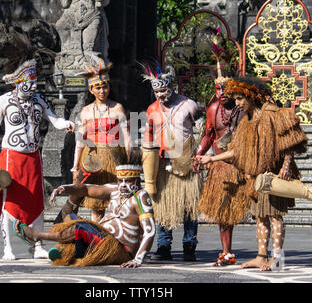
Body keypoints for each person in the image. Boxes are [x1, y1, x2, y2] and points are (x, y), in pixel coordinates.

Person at [195, 76, 307, 271]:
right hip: (255, 176)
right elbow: (236, 150)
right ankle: (261, 256)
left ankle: (277, 258)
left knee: (275, 215)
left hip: (274, 174)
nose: (236, 103)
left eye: (240, 99)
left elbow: (289, 142)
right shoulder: (246, 122)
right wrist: (210, 159)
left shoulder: (273, 114)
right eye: (235, 99)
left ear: (251, 96)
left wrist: (286, 167)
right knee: (260, 216)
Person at [0, 33, 75, 260]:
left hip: (33, 157)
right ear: (18, 80)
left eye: (35, 81)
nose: (33, 85)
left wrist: (67, 124)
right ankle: (8, 248)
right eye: (30, 81)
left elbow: (54, 119)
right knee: (9, 201)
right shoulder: (4, 101)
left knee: (37, 201)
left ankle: (38, 246)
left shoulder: (39, 100)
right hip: (10, 157)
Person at [12, 157, 156, 268]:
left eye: (129, 181)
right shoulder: (114, 190)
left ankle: (37, 236)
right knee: (70, 217)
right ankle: (68, 251)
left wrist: (138, 259)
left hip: (120, 249)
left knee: (80, 227)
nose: (123, 185)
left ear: (137, 180)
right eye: (120, 180)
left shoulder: (140, 197)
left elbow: (150, 230)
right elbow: (86, 189)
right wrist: (65, 188)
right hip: (100, 238)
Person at [141, 64, 203, 261]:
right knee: (163, 205)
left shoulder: (189, 105)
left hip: (187, 161)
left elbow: (202, 132)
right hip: (162, 163)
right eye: (156, 92)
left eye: (163, 91)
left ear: (171, 86)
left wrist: (201, 156)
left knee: (189, 205)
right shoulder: (151, 109)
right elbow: (148, 138)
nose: (160, 95)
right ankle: (163, 246)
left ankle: (189, 246)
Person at [192, 77, 250, 266]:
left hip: (243, 166)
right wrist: (198, 154)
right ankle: (227, 252)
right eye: (218, 89)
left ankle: (265, 253)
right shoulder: (213, 110)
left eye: (225, 90)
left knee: (260, 212)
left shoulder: (244, 110)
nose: (221, 93)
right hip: (220, 168)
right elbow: (208, 136)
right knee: (224, 211)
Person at [72, 58, 131, 222]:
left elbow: (127, 138)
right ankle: (96, 237)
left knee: (114, 201)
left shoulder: (117, 108)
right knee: (96, 204)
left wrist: (127, 162)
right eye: (98, 88)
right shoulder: (85, 112)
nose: (102, 91)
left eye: (105, 86)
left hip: (114, 158)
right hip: (93, 161)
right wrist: (75, 166)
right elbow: (80, 142)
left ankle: (112, 236)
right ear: (91, 90)